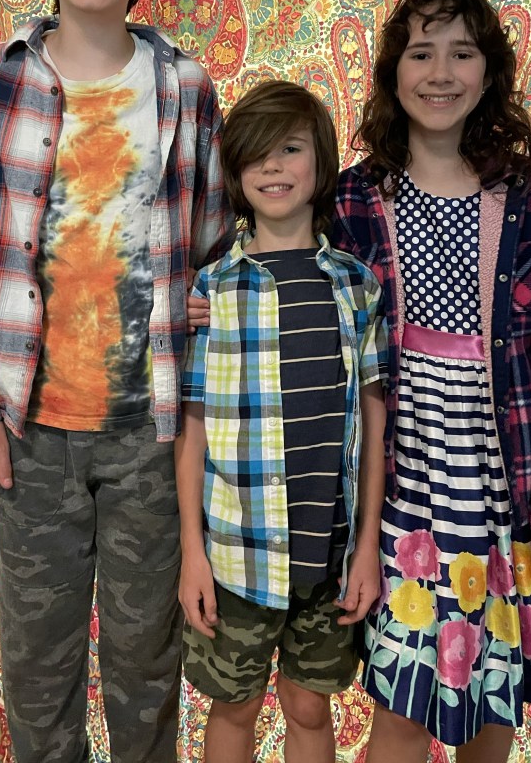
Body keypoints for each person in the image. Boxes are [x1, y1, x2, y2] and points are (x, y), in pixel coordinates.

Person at [0, 0, 234, 763]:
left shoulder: (185, 89)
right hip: (28, 435)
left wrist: (211, 356)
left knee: (147, 667)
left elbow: (213, 250)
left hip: (153, 440)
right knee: (37, 670)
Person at [331, 0, 531, 762]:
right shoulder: (353, 199)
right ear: (393, 72)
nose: (441, 73)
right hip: (403, 484)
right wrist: (214, 299)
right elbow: (290, 284)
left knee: (492, 698)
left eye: (462, 54)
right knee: (401, 705)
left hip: (504, 486)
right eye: (421, 54)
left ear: (490, 72)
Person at [176, 80, 388, 763]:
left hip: (329, 555)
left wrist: (366, 545)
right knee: (234, 707)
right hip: (235, 556)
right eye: (256, 155)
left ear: (321, 164)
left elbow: (374, 425)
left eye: (291, 149)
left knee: (308, 706)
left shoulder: (355, 286)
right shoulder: (213, 290)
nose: (273, 166)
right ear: (236, 173)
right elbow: (193, 429)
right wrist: (192, 554)